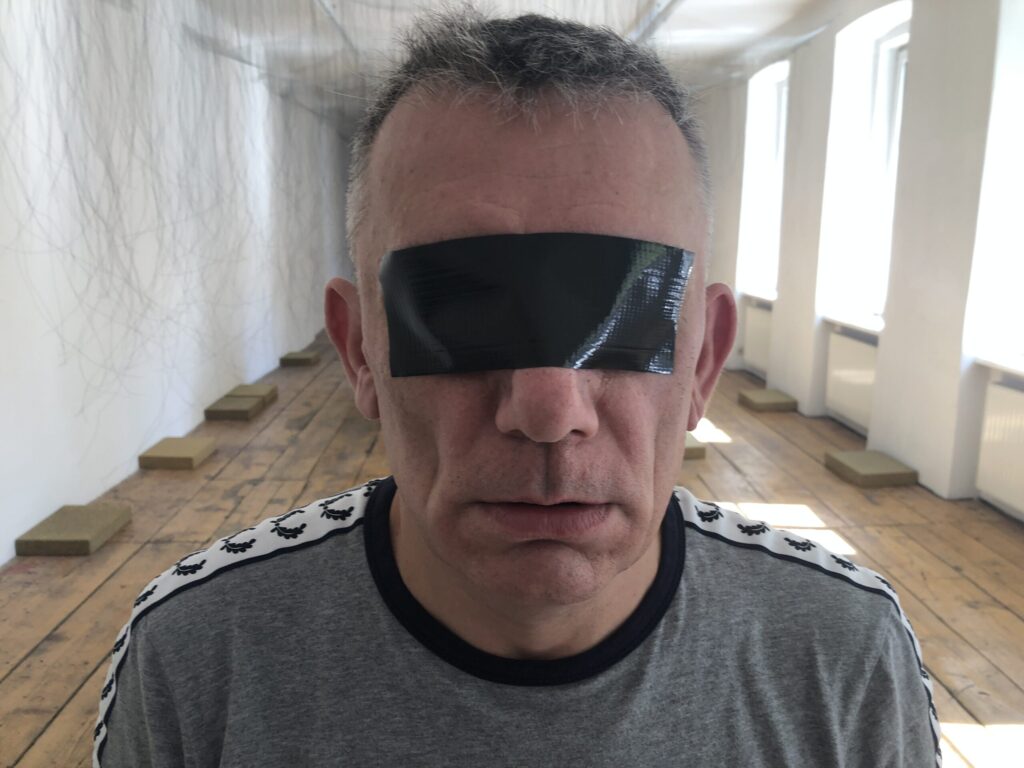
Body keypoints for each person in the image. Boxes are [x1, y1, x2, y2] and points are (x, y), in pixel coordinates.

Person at [94, 9, 940, 767]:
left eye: (626, 309)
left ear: (705, 361)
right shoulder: (195, 659)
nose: (547, 410)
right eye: (458, 307)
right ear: (358, 351)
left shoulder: (845, 653)